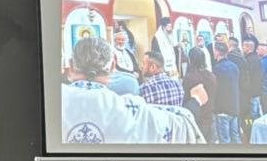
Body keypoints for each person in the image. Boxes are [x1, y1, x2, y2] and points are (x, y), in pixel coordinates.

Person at [61, 37, 204, 144]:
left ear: (71, 66)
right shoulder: (131, 110)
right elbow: (180, 124)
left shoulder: (52, 101)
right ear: (113, 66)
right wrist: (196, 100)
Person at [181, 47, 217, 141]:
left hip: (197, 121)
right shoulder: (211, 76)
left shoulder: (189, 78)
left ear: (190, 60)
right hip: (210, 118)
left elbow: (185, 100)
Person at [211, 42, 242, 144]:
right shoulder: (234, 66)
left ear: (217, 52)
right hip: (234, 106)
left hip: (222, 108)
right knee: (235, 136)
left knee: (224, 140)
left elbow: (215, 89)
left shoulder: (217, 69)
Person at [241, 36, 264, 123]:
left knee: (252, 114)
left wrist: (246, 89)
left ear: (248, 47)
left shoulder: (249, 60)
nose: (242, 48)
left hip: (251, 92)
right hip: (257, 90)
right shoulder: (256, 58)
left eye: (243, 46)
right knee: (256, 112)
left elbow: (248, 76)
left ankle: (252, 129)